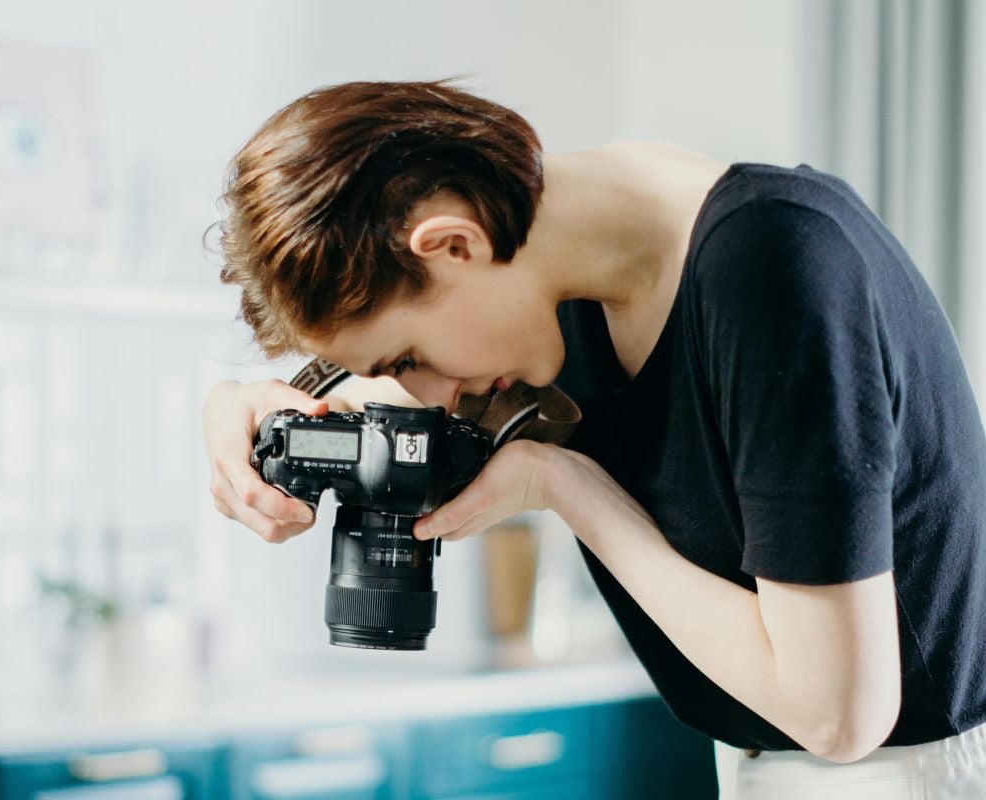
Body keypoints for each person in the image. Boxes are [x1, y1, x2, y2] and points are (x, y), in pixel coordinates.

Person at [203, 80, 986, 797]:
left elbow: (840, 715)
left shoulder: (774, 266)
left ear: (453, 244)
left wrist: (568, 489)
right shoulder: (561, 298)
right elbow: (357, 401)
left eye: (410, 359)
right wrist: (233, 408)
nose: (427, 394)